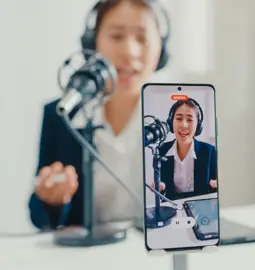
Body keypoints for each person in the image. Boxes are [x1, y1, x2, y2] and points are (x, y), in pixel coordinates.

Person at [28, 0, 168, 230]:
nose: (129, 52)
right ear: (93, 43)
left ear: (161, 49)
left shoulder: (180, 117)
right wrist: (52, 199)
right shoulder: (62, 115)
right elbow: (38, 218)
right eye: (116, 36)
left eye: (142, 38)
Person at [150, 98, 218, 200]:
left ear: (198, 126)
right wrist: (159, 188)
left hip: (200, 208)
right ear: (171, 123)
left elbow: (213, 193)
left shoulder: (209, 151)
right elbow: (163, 193)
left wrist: (217, 187)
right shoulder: (162, 150)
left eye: (190, 119)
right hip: (172, 209)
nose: (183, 125)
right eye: (179, 119)